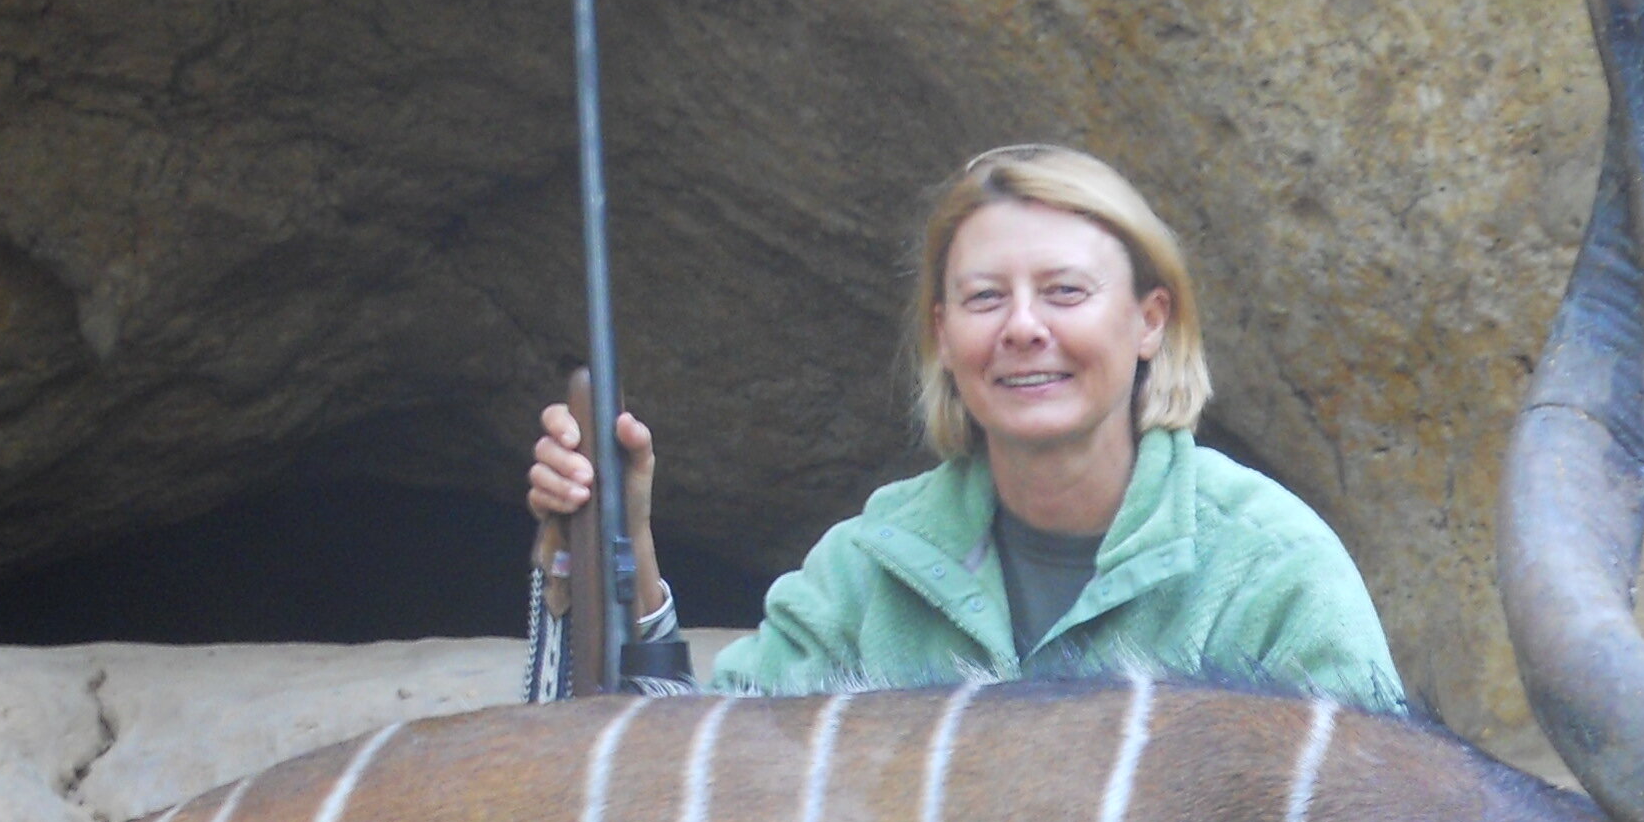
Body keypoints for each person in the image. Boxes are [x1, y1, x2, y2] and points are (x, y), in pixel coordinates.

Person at [525, 144, 1406, 709]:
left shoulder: (1272, 570)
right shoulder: (868, 570)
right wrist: (621, 545)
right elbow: (707, 786)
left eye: (1065, 292)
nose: (1023, 326)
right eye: (985, 298)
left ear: (1150, 323)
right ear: (944, 337)